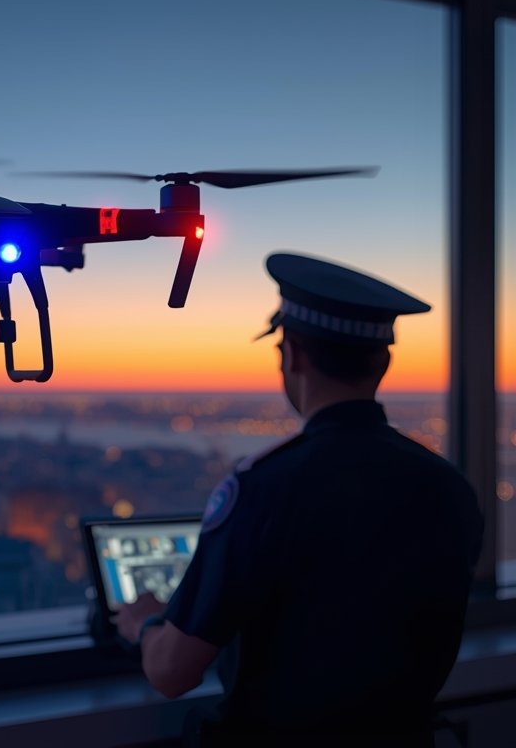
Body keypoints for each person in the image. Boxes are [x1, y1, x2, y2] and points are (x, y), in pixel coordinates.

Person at [114, 252, 483, 746]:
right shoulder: (449, 487)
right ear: (384, 362)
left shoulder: (267, 488)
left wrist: (143, 624)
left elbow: (172, 672)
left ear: (292, 355)